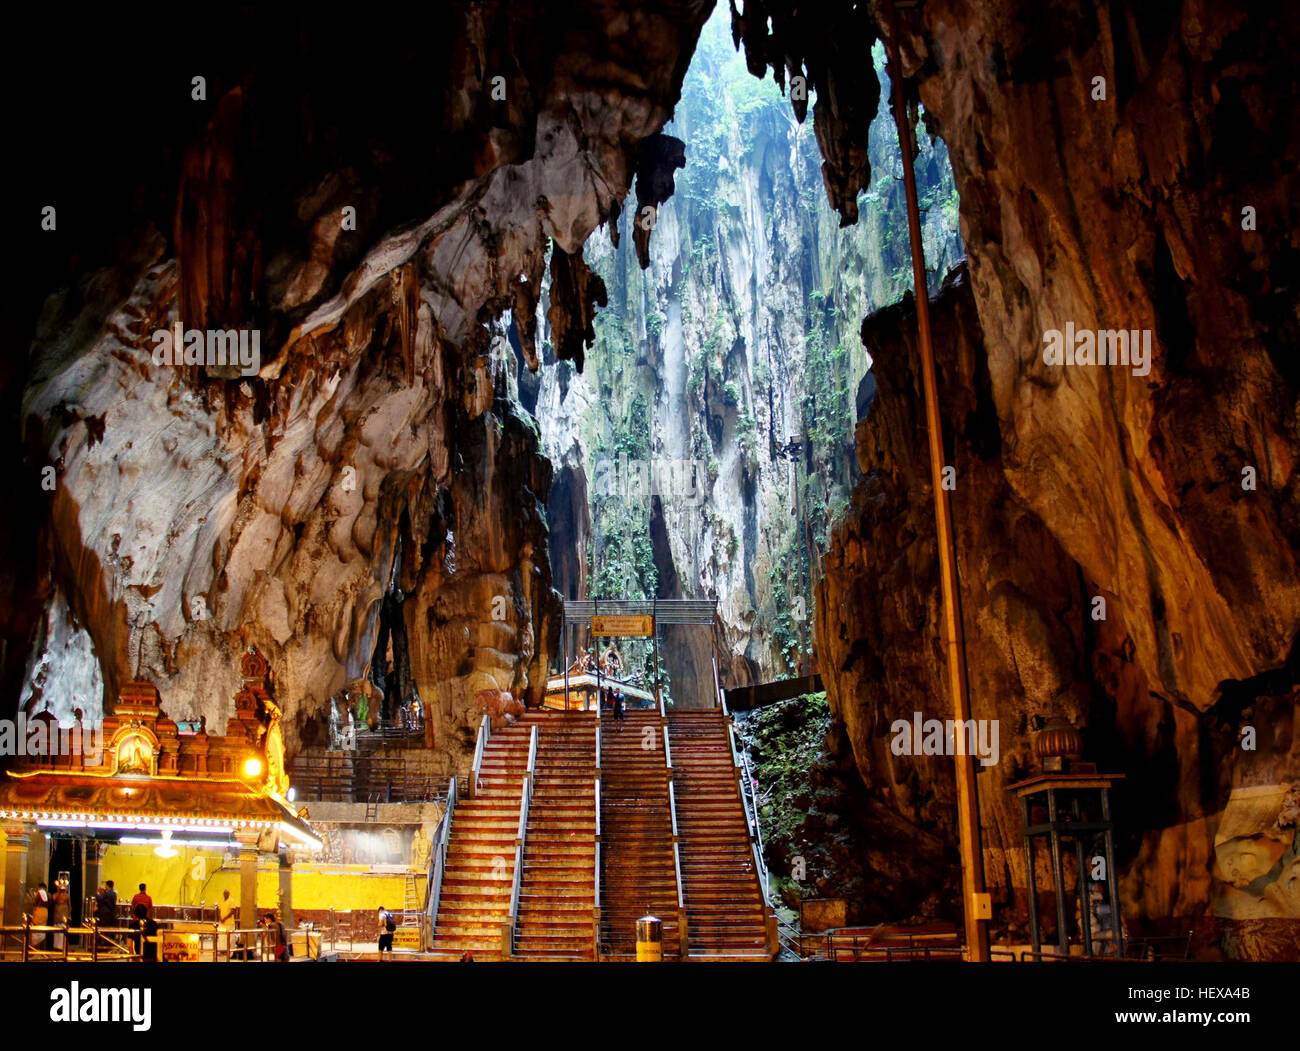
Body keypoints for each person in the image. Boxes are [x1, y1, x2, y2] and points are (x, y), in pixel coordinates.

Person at [30, 882, 50, 950]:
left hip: (39, 911)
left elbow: (35, 902)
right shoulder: (48, 894)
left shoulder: (40, 892)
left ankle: (33, 949)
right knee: (42, 931)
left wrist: (34, 900)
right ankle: (42, 950)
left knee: (35, 930)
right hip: (45, 912)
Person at [217, 890, 237, 957]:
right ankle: (223, 951)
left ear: (229, 894)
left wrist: (225, 918)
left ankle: (231, 952)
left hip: (229, 922)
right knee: (222, 937)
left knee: (230, 937)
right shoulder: (221, 901)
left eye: (226, 893)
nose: (225, 894)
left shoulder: (231, 901)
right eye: (224, 893)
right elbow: (219, 910)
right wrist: (220, 918)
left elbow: (232, 911)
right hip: (222, 923)